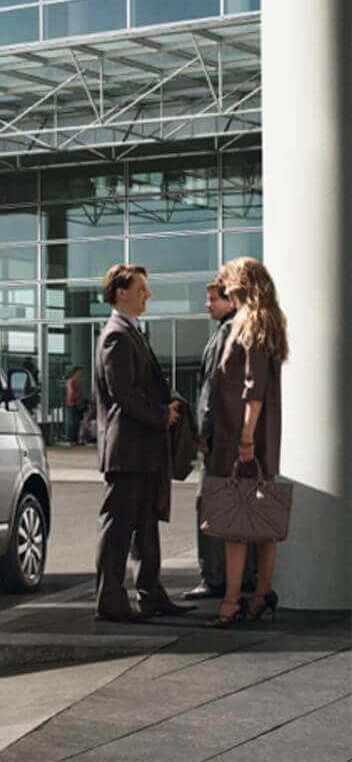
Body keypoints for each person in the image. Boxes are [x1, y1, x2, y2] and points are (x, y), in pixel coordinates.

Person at [92, 264, 194, 622]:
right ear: (121, 292)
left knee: (146, 527)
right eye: (142, 288)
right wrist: (161, 415)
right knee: (119, 528)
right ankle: (111, 602)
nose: (148, 294)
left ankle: (151, 594)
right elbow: (125, 395)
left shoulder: (130, 331)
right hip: (127, 451)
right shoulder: (115, 336)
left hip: (143, 449)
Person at [204, 258, 288, 628]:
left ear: (240, 285)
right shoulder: (265, 322)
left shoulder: (249, 324)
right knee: (261, 518)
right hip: (258, 437)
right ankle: (260, 594)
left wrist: (246, 438)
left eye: (228, 284)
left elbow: (254, 389)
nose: (224, 290)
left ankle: (232, 601)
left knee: (236, 524)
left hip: (243, 438)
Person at [183, 279, 255, 600]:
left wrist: (204, 431)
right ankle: (245, 577)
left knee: (208, 504)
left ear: (231, 301)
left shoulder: (226, 334)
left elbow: (213, 388)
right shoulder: (242, 331)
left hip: (220, 438)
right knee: (239, 505)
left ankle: (213, 579)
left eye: (213, 299)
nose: (207, 304)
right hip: (236, 436)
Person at [65, 365, 85, 446]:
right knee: (72, 422)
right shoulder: (71, 381)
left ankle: (76, 439)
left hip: (77, 403)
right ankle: (72, 439)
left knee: (77, 422)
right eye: (80, 371)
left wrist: (80, 400)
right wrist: (77, 398)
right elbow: (71, 391)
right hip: (71, 403)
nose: (81, 373)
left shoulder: (79, 382)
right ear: (76, 372)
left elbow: (80, 392)